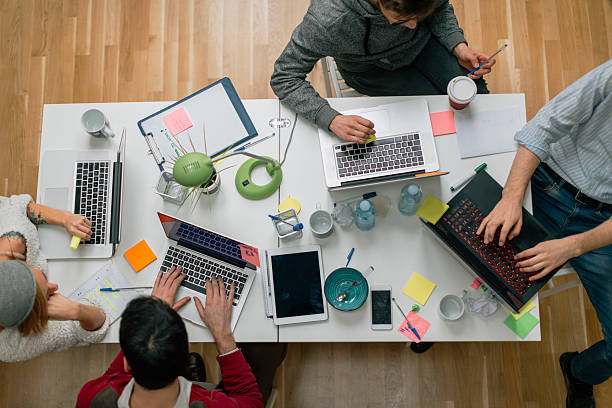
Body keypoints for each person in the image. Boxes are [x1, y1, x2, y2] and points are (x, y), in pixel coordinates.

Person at [477, 60, 612, 407]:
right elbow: (547, 123)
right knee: (475, 244)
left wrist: (571, 246)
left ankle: (579, 371)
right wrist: (511, 197)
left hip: (600, 226)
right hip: (546, 183)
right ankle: (434, 323)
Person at [270, 0, 496, 143]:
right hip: (372, 70)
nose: (413, 25)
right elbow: (284, 77)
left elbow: (441, 8)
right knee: (434, 117)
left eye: (419, 17)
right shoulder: (328, 20)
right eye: (404, 20)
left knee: (475, 95)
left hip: (422, 47)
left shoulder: (415, 20)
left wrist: (459, 47)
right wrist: (330, 119)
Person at [76, 266, 265, 407]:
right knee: (266, 350)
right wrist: (223, 336)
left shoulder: (92, 398)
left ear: (127, 363)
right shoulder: (206, 404)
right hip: (203, 392)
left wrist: (151, 320)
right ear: (187, 351)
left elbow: (112, 377)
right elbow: (250, 400)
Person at [0, 194, 108, 362]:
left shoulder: (11, 243)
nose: (54, 286)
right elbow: (95, 325)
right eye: (48, 294)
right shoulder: (12, 346)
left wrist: (65, 218)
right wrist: (77, 311)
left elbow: (14, 204)